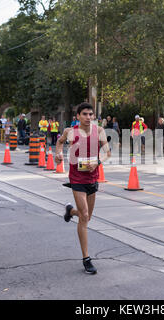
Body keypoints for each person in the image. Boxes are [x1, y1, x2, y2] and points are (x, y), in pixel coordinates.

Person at [55, 102, 111, 274]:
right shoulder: (69, 132)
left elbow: (107, 152)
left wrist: (98, 162)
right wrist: (58, 154)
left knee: (86, 217)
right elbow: (59, 143)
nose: (88, 117)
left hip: (92, 177)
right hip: (77, 178)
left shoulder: (99, 131)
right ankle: (86, 259)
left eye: (90, 114)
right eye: (85, 114)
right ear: (77, 116)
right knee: (85, 215)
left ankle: (70, 211)